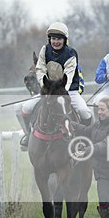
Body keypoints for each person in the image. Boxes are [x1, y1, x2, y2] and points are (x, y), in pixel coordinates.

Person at [18, 22, 93, 150]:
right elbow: (40, 69)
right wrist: (45, 88)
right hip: (49, 90)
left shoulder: (71, 54)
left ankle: (85, 139)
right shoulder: (45, 50)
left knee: (84, 111)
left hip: (69, 90)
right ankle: (28, 135)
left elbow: (68, 76)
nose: (55, 41)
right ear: (50, 39)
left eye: (58, 39)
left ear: (64, 40)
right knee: (26, 108)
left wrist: (61, 90)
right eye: (53, 39)